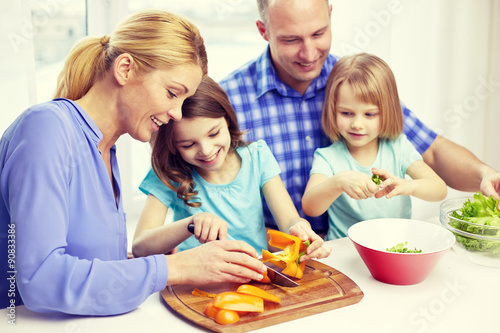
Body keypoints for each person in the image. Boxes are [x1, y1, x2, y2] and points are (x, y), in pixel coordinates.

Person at [0, 9, 268, 315]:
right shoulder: (46, 128)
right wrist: (172, 267)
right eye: (172, 93)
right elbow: (41, 280)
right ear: (125, 69)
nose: (177, 114)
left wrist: (141, 262)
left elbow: (90, 268)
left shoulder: (106, 152)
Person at [218, 0, 500, 234]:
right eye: (291, 39)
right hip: (276, 252)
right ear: (263, 31)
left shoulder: (353, 83)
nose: (308, 53)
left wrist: (485, 175)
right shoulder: (227, 101)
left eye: (318, 34)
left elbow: (433, 152)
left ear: (330, 15)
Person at [133, 76, 331, 260]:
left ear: (227, 120)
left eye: (213, 134)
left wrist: (301, 230)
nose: (206, 151)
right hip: (196, 278)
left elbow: (289, 221)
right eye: (188, 145)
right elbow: (140, 247)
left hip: (254, 271)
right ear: (173, 146)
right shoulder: (169, 171)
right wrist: (190, 224)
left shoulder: (257, 156)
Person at [302, 53, 447, 239]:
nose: (357, 124)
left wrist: (407, 186)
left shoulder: (398, 147)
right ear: (333, 110)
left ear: (387, 112)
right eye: (346, 113)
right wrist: (338, 182)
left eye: (369, 115)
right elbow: (310, 207)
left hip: (394, 247)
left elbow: (439, 189)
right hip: (344, 253)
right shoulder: (327, 157)